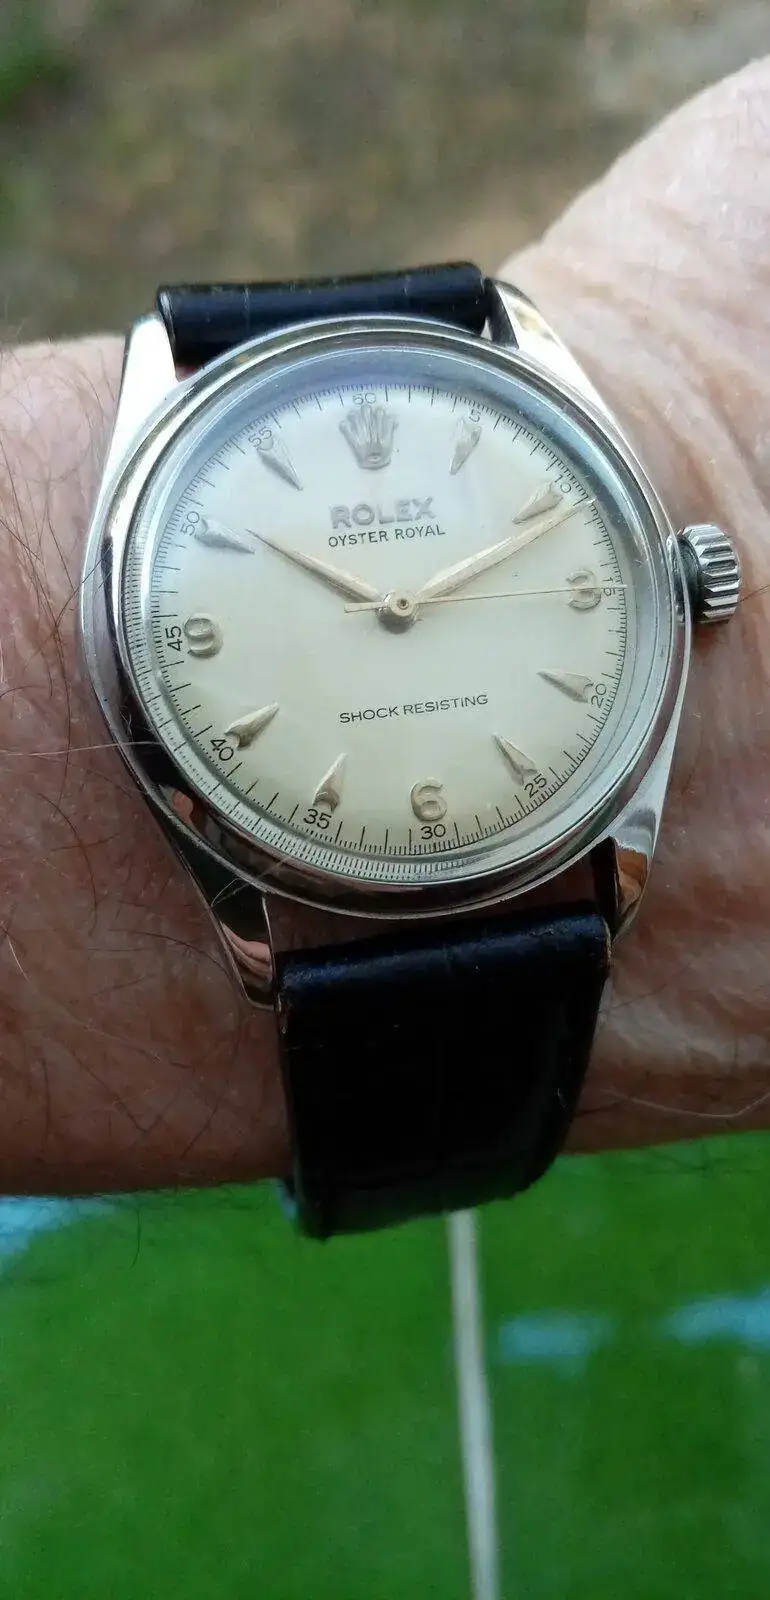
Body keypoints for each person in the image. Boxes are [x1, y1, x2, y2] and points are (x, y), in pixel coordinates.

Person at [1, 58, 768, 1198]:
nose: (398, 606)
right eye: (386, 602)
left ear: (688, 578)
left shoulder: (608, 849)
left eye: (405, 601)